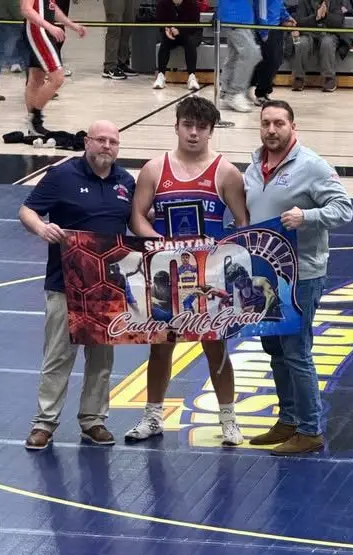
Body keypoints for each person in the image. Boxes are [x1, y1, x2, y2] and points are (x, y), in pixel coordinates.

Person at [127, 96, 249, 446]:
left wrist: (223, 253)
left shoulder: (226, 172)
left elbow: (242, 223)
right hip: (165, 273)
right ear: (177, 127)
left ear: (211, 131)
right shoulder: (154, 169)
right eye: (188, 125)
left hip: (209, 276)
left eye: (201, 127)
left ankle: (228, 420)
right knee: (160, 346)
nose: (194, 133)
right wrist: (161, 243)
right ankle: (153, 417)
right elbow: (137, 217)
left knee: (216, 346)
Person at [244, 100, 353, 455]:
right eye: (266, 123)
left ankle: (310, 429)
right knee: (274, 348)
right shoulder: (253, 166)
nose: (271, 130)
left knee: (296, 350)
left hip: (302, 274)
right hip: (265, 275)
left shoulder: (312, 165)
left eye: (279, 123)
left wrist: (307, 217)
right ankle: (289, 419)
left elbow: (344, 209)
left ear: (293, 126)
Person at [19, 120, 135, 449]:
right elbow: (27, 210)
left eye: (113, 142)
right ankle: (44, 423)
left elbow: (137, 222)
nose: (107, 146)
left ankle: (93, 420)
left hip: (107, 286)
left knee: (101, 358)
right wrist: (42, 229)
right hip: (65, 282)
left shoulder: (126, 182)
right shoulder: (62, 175)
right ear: (86, 142)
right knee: (59, 355)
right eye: (101, 140)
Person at [20, 0, 86, 135]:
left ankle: (33, 127)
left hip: (41, 30)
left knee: (36, 78)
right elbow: (26, 9)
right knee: (57, 78)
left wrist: (71, 25)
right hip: (38, 31)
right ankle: (34, 119)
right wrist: (49, 26)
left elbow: (51, 7)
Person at [292, 0, 345, 92]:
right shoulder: (304, 2)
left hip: (328, 33)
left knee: (327, 42)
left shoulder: (335, 2)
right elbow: (299, 22)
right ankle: (299, 77)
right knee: (301, 43)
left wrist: (326, 15)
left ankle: (329, 78)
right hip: (308, 33)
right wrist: (315, 17)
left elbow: (339, 23)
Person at [153, 0, 201, 91]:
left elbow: (194, 25)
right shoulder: (162, 4)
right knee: (165, 43)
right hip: (171, 33)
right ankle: (161, 75)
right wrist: (167, 29)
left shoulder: (193, 4)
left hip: (189, 33)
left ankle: (192, 77)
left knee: (190, 42)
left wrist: (180, 30)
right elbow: (160, 21)